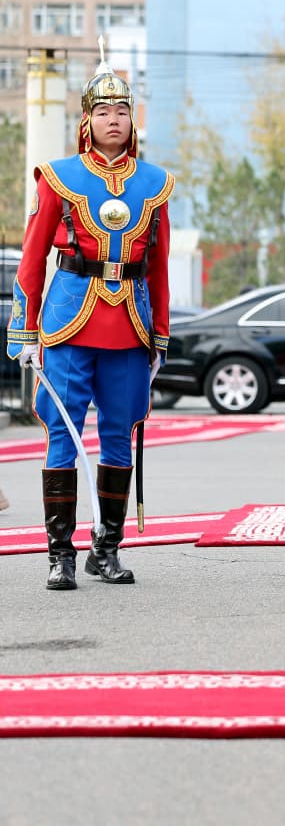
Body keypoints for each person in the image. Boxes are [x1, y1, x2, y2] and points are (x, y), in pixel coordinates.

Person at [7, 48, 172, 590]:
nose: (114, 120)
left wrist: (162, 336)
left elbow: (160, 266)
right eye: (103, 112)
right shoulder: (58, 177)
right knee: (63, 434)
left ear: (132, 121)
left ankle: (107, 549)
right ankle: (61, 554)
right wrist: (25, 330)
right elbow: (32, 258)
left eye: (122, 111)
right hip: (67, 321)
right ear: (86, 121)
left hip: (129, 325)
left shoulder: (155, 182)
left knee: (119, 435)